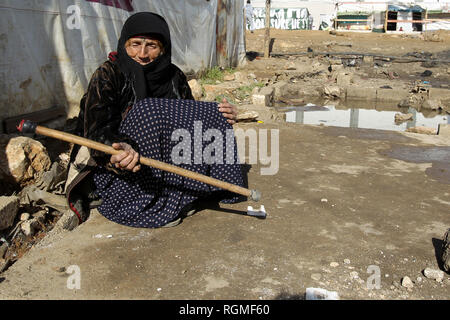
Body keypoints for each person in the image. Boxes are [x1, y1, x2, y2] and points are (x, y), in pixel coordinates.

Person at [66, 12, 244, 228]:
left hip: (161, 163)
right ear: (124, 44)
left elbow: (186, 120)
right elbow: (97, 128)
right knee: (148, 111)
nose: (142, 53)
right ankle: (148, 201)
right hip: (118, 166)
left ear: (163, 48)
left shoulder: (173, 76)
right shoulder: (108, 74)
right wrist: (116, 148)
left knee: (207, 114)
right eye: (134, 44)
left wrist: (219, 113)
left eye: (151, 45)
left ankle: (194, 187)